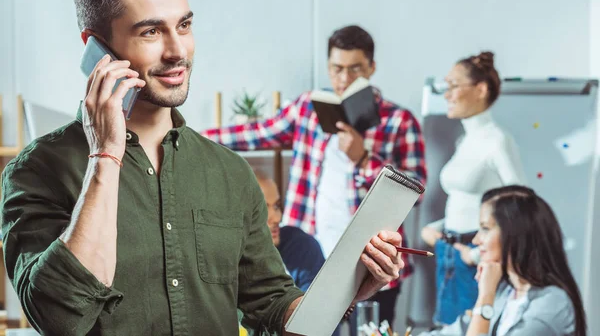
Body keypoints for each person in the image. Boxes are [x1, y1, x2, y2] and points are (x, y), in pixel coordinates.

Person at [0, 0, 407, 336]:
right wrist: (105, 155)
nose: (178, 51)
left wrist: (347, 290)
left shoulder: (229, 172)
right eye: (151, 31)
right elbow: (59, 317)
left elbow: (274, 307)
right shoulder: (38, 170)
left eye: (184, 25)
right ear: (96, 47)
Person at [202, 25, 427, 328]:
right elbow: (257, 133)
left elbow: (418, 192)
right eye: (337, 69)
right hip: (312, 260)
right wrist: (194, 136)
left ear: (372, 68)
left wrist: (363, 159)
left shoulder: (399, 121)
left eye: (355, 69)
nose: (344, 79)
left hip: (371, 262)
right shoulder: (307, 108)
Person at [420, 51, 527, 326]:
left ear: (481, 89)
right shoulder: (464, 142)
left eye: (453, 86)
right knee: (447, 329)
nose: (447, 94)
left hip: (475, 262)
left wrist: (475, 255)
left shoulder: (498, 141)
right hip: (449, 256)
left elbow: (522, 210)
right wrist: (438, 227)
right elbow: (466, 201)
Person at [418, 185, 587, 336]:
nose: (476, 240)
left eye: (485, 229)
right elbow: (458, 330)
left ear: (513, 234)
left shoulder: (552, 305)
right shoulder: (507, 292)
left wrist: (485, 296)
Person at [254, 167, 325, 292]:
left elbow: (317, 306)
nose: (277, 218)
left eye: (276, 206)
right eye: (263, 210)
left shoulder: (300, 246)